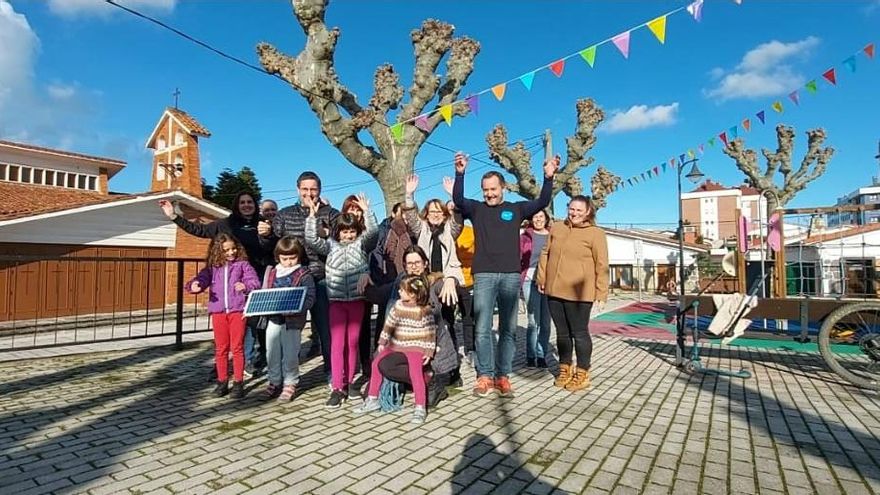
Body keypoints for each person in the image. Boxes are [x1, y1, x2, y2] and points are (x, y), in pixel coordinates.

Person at [452, 152, 559, 398]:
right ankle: (484, 375)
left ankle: (503, 375)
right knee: (482, 328)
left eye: (493, 189)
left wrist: (548, 177)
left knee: (509, 329)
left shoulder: (517, 209)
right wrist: (460, 173)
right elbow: (458, 198)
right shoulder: (476, 209)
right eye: (485, 189)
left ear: (503, 188)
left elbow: (542, 200)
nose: (489, 193)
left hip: (511, 277)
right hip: (484, 276)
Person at [160, 192, 274, 379]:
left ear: (255, 205)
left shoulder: (263, 223)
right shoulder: (225, 224)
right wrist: (174, 216)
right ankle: (226, 364)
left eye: (250, 202)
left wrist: (268, 234)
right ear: (236, 205)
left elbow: (276, 245)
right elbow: (199, 230)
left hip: (256, 278)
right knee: (234, 325)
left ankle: (252, 359)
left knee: (256, 321)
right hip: (231, 282)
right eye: (242, 202)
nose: (246, 205)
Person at [262, 172, 340, 378]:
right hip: (291, 281)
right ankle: (283, 376)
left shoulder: (331, 214)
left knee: (325, 327)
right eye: (305, 189)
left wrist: (326, 234)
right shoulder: (285, 214)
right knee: (285, 331)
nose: (309, 193)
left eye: (313, 189)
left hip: (320, 277)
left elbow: (339, 245)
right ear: (298, 189)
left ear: (320, 190)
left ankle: (332, 370)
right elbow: (273, 246)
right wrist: (265, 235)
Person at [304, 194, 378, 409]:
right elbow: (311, 240)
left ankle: (350, 383)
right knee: (337, 344)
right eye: (344, 231)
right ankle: (337, 387)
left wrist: (367, 210)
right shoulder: (331, 246)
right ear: (338, 232)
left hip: (356, 301)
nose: (348, 235)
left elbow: (373, 233)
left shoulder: (361, 245)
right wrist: (312, 216)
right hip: (336, 301)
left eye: (351, 231)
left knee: (352, 342)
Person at [537, 195, 608, 392]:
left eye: (579, 210)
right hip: (554, 289)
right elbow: (545, 253)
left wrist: (602, 292)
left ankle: (583, 372)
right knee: (562, 333)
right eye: (572, 209)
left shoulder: (596, 233)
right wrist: (541, 278)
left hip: (580, 293)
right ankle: (564, 368)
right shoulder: (557, 228)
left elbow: (602, 264)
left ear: (588, 212)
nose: (574, 213)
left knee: (579, 333)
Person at [354, 274, 437, 424]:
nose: (399, 292)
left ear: (412, 293)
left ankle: (420, 407)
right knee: (376, 363)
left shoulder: (424, 310)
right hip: (395, 344)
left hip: (415, 347)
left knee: (415, 372)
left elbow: (430, 332)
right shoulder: (398, 306)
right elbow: (389, 325)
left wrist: (428, 351)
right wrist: (382, 342)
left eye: (402, 290)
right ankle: (372, 399)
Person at [187, 233, 261, 399]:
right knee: (221, 348)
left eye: (233, 249)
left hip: (237, 311)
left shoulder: (243, 265)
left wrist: (246, 286)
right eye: (226, 250)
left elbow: (254, 282)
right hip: (219, 311)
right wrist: (195, 285)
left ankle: (238, 382)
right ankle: (222, 382)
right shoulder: (212, 267)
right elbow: (200, 279)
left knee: (237, 348)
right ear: (218, 251)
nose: (231, 253)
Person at [386, 246, 459, 405]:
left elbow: (450, 288)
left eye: (417, 262)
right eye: (409, 263)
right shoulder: (401, 283)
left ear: (425, 263)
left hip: (436, 352)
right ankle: (419, 379)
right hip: (411, 347)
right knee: (385, 366)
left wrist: (451, 280)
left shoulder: (434, 283)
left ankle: (434, 382)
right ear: (404, 266)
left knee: (430, 401)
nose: (413, 266)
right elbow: (389, 308)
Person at [262, 236, 316, 402]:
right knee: (272, 352)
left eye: (292, 258)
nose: (289, 262)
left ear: (298, 256)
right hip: (273, 319)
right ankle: (274, 381)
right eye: (285, 258)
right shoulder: (272, 272)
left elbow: (310, 297)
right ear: (278, 257)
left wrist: (297, 308)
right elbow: (264, 292)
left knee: (291, 354)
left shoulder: (304, 274)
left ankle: (290, 383)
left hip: (292, 321)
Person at [520, 209, 553, 369]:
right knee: (534, 320)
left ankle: (541, 355)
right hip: (529, 279)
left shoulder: (553, 235)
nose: (538, 219)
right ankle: (530, 355)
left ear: (546, 218)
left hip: (549, 280)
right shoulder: (525, 236)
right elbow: (517, 256)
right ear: (531, 219)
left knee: (546, 322)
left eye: (541, 216)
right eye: (535, 217)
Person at [455, 223, 476, 364]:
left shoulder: (471, 231)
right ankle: (451, 351)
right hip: (450, 281)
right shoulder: (445, 231)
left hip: (468, 280)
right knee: (447, 319)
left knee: (468, 317)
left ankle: (470, 348)